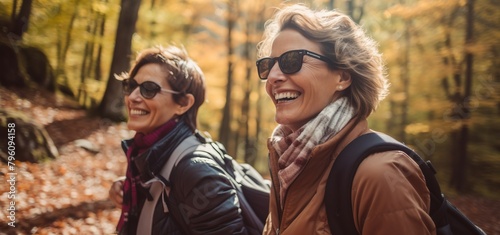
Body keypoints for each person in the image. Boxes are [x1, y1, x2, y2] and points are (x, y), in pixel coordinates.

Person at [256, 4, 435, 235]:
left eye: (292, 60)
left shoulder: (381, 175)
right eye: (268, 65)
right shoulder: (288, 163)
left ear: (342, 76)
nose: (273, 76)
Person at [108, 45, 248, 234]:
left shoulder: (197, 171)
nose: (132, 97)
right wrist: (131, 188)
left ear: (183, 103)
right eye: (130, 86)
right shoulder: (148, 156)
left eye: (148, 89)